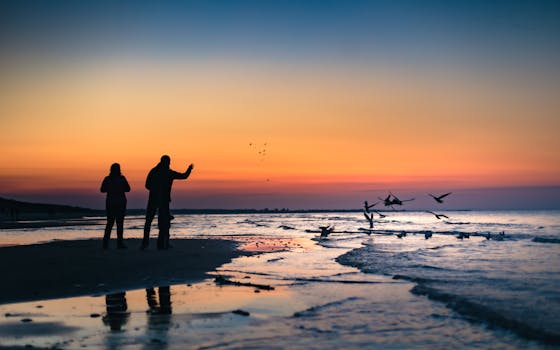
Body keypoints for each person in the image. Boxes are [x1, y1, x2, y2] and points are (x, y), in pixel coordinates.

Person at [141, 155, 194, 250]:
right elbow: (184, 176)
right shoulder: (168, 173)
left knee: (149, 221)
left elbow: (147, 185)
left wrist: (154, 190)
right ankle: (160, 244)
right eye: (168, 162)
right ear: (167, 162)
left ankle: (146, 243)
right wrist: (189, 169)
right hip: (163, 200)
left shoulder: (154, 171)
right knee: (163, 223)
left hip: (153, 198)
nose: (169, 164)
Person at [100, 163, 130, 249]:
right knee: (119, 224)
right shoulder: (121, 178)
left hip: (111, 203)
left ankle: (106, 244)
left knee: (110, 223)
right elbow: (128, 189)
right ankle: (119, 244)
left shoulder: (108, 179)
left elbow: (102, 189)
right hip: (119, 203)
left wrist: (110, 188)